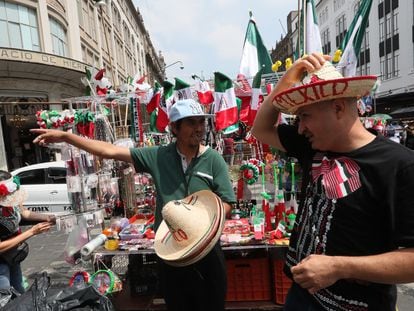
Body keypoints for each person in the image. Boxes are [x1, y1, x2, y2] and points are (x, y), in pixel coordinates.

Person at [31, 98, 236, 311]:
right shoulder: (158, 156)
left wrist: (202, 222)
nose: (199, 128)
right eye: (192, 122)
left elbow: (227, 203)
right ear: (175, 127)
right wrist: (67, 137)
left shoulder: (213, 159)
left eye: (201, 122)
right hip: (172, 255)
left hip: (207, 254)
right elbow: (108, 151)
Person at [252, 53, 414, 311]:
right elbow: (260, 128)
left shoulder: (401, 165)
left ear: (338, 108)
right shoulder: (312, 146)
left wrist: (338, 267)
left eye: (305, 116)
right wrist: (289, 75)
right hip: (301, 296)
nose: (301, 127)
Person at [0, 170, 55, 293]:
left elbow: (24, 212)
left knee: (19, 292)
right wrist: (31, 232)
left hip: (13, 256)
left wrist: (48, 217)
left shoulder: (10, 201)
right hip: (1, 262)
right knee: (4, 298)